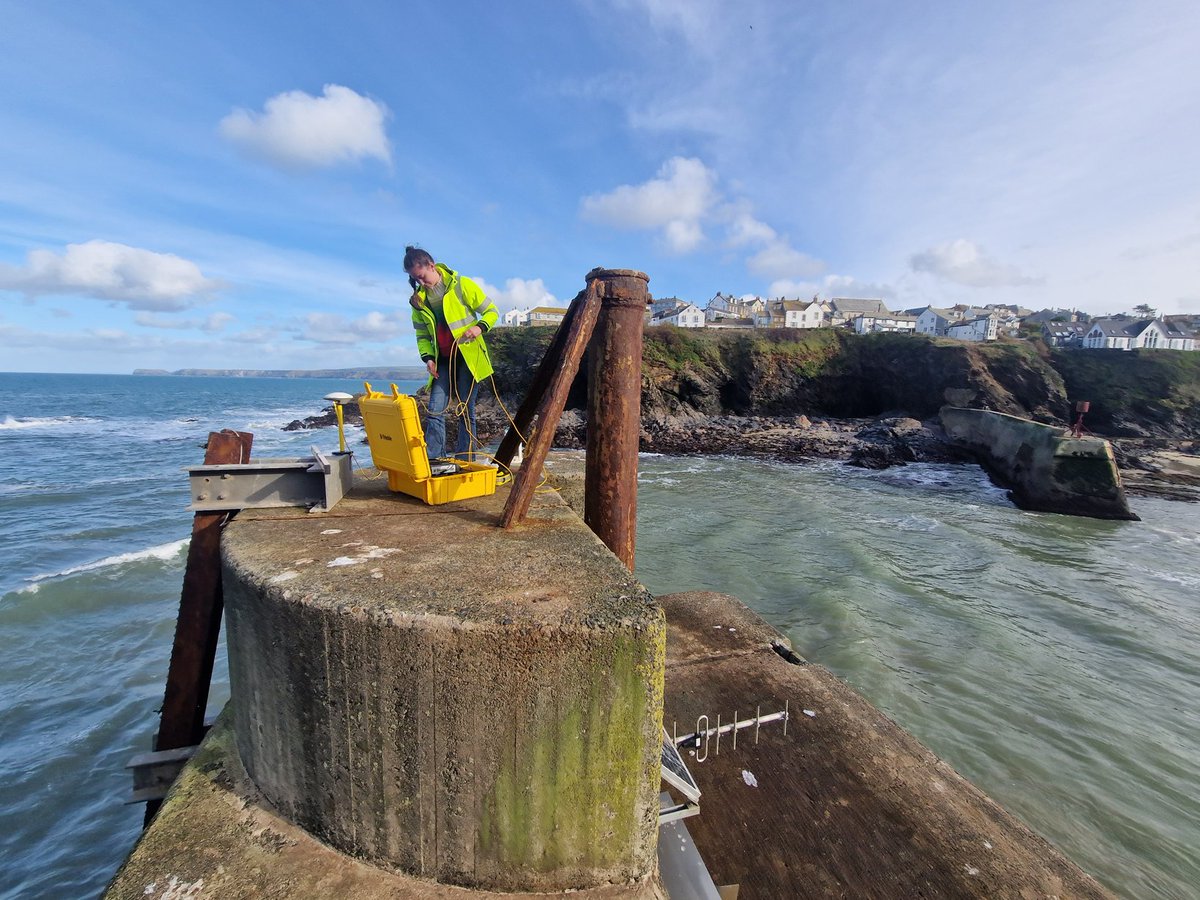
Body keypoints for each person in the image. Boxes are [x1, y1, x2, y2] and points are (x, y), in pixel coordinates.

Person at [403, 246, 499, 461]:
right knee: (435, 409)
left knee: (466, 409)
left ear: (432, 266)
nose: (421, 282)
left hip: (468, 359)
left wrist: (479, 327)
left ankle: (466, 460)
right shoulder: (417, 301)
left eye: (422, 277)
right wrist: (428, 358)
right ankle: (435, 461)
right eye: (415, 279)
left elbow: (492, 312)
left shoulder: (461, 285)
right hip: (442, 362)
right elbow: (422, 336)